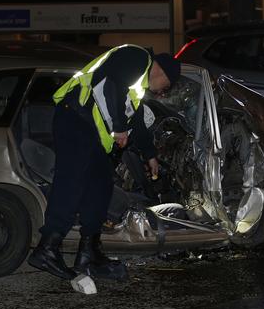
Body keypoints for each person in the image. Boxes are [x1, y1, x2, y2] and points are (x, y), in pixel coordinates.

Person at [28, 44, 181, 281]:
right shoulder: (137, 57)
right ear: (162, 73)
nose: (161, 93)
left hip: (92, 134)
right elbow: (110, 84)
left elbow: (137, 121)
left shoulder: (137, 87)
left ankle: (89, 252)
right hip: (75, 119)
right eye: (166, 88)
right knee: (72, 183)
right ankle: (47, 248)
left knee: (100, 189)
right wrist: (119, 128)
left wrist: (150, 155)